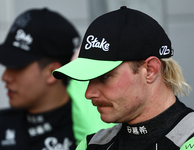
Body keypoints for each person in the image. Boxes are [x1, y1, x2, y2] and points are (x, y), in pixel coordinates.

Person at [53, 6, 194, 150]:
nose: (88, 93)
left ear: (150, 70)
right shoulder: (91, 144)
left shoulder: (193, 138)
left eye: (104, 77)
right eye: (89, 78)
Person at [0, 8, 114, 150]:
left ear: (52, 72)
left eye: (17, 66)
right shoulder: (3, 124)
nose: (5, 77)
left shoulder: (98, 127)